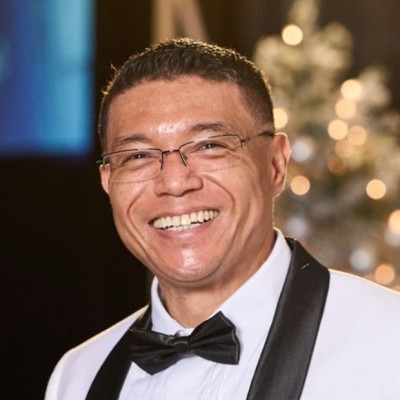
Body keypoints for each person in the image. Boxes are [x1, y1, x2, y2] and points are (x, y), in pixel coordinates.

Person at [45, 38, 400, 400]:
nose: (174, 183)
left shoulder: (390, 342)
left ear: (276, 164)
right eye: (137, 156)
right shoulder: (77, 378)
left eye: (209, 146)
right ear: (108, 182)